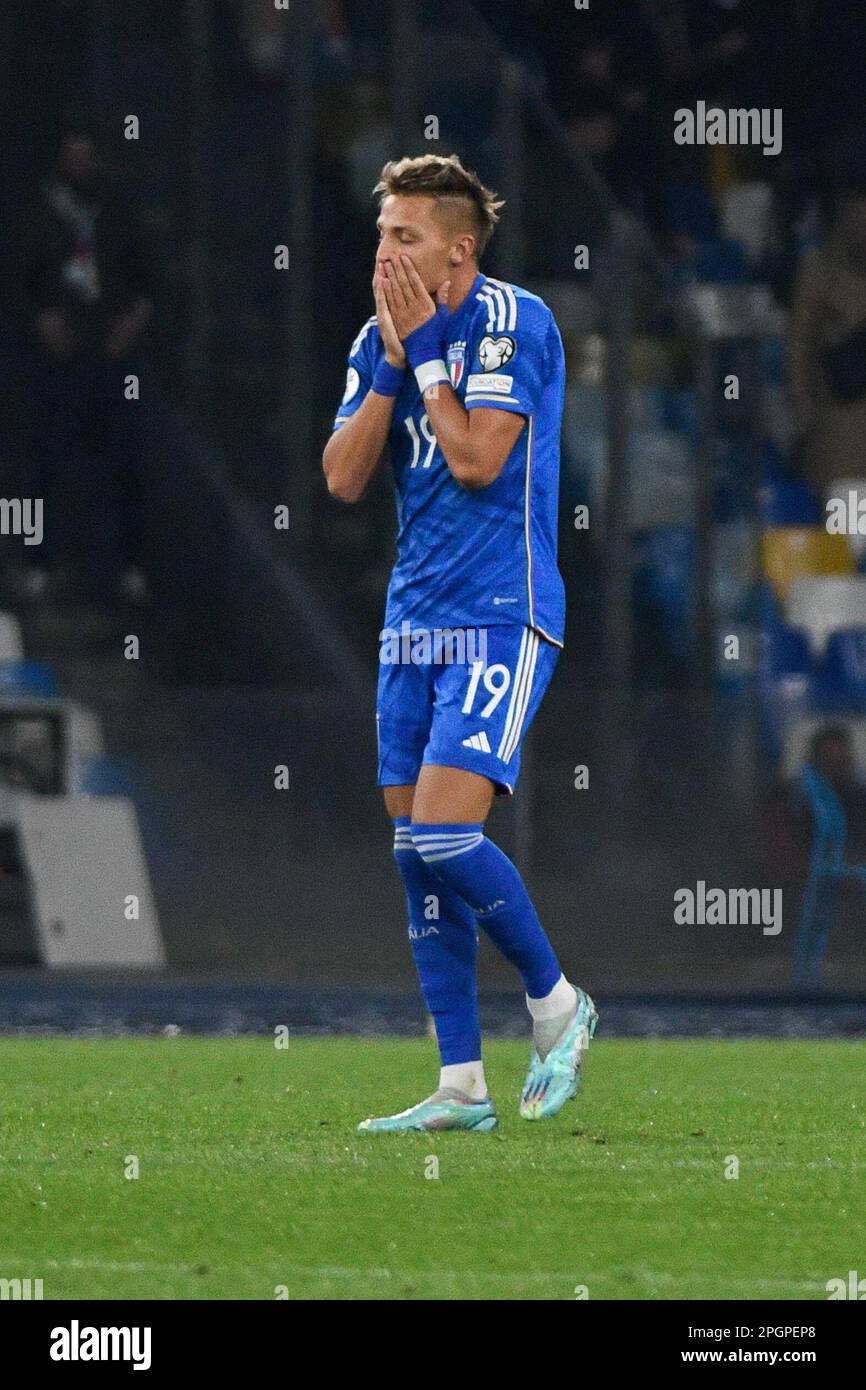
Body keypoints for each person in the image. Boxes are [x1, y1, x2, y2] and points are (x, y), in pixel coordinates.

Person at [322, 153, 596, 1133]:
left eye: (404, 237)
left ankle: (557, 1005)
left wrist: (431, 353)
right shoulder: (379, 340)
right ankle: (460, 1084)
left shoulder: (516, 320)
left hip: (498, 608)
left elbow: (479, 460)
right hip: (412, 622)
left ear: (458, 247)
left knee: (445, 831)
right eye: (380, 235)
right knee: (414, 852)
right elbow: (344, 475)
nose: (384, 254)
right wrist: (397, 360)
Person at [22, 125, 154, 598]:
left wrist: (130, 325)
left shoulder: (117, 213)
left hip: (112, 356)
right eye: (71, 157)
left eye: (87, 157)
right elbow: (20, 281)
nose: (80, 166)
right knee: (45, 460)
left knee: (123, 459)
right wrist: (40, 321)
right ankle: (39, 561)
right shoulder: (37, 215)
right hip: (58, 359)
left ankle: (128, 565)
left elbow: (147, 282)